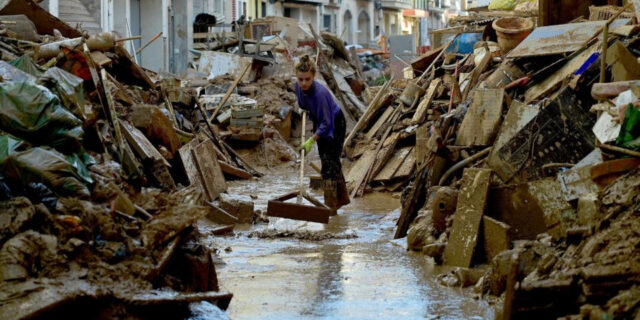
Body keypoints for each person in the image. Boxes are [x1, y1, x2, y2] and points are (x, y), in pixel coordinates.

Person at [294, 55, 350, 211]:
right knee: (328, 162)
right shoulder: (297, 87)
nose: (304, 83)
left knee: (330, 164)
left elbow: (327, 123)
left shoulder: (320, 94)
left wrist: (311, 140)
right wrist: (303, 107)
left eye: (307, 79)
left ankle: (331, 206)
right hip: (321, 121)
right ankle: (341, 200)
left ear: (314, 77)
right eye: (301, 79)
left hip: (335, 123)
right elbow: (302, 102)